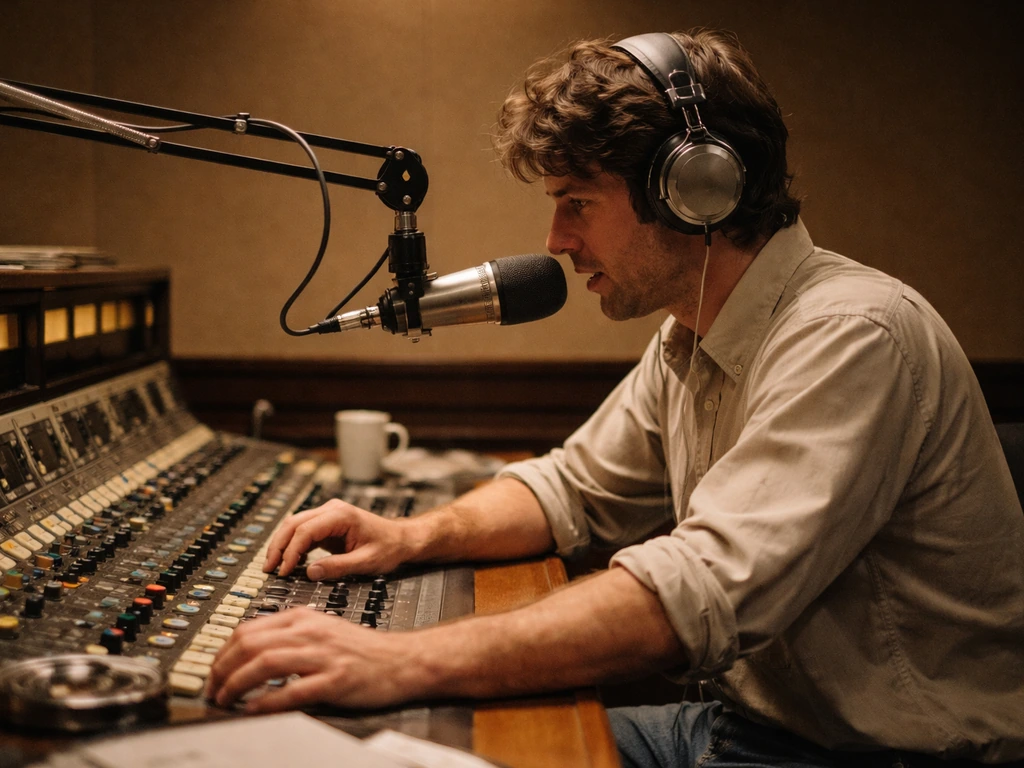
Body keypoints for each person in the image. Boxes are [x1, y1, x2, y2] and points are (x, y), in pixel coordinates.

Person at [206, 28, 1024, 766]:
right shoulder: (689, 336)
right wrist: (410, 537)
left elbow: (692, 594)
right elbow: (571, 487)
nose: (557, 242)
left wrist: (397, 659)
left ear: (695, 189)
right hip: (742, 729)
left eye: (578, 204)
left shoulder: (853, 336)